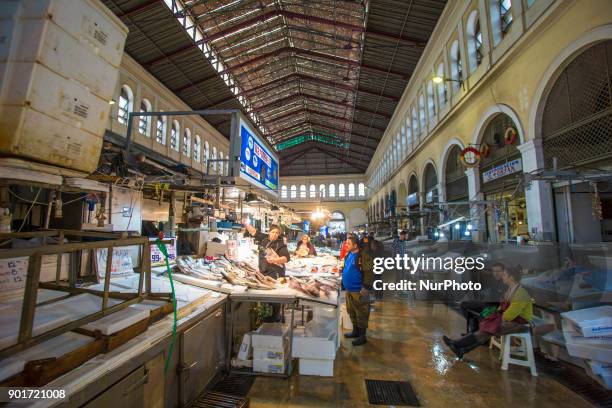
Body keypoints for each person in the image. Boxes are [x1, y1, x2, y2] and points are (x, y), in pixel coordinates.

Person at [443, 266, 533, 359]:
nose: (502, 276)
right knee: (482, 319)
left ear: (511, 277)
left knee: (488, 327)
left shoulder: (519, 293)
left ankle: (458, 344)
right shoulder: (511, 289)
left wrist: (495, 317)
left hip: (518, 322)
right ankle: (463, 345)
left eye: (504, 274)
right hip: (497, 311)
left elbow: (509, 315)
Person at [342, 236, 374, 346]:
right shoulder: (349, 255)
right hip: (349, 290)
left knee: (362, 313)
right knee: (351, 311)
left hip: (359, 291)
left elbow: (369, 272)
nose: (346, 245)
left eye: (348, 244)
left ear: (355, 245)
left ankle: (362, 336)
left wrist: (366, 287)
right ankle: (355, 331)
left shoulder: (362, 256)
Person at [459, 262, 506, 334]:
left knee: (483, 315)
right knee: (463, 305)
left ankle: (479, 335)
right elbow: (479, 270)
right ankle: (474, 328)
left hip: (494, 306)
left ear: (503, 271)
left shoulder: (506, 282)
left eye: (498, 271)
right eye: (494, 271)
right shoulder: (491, 277)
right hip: (484, 303)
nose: (496, 273)